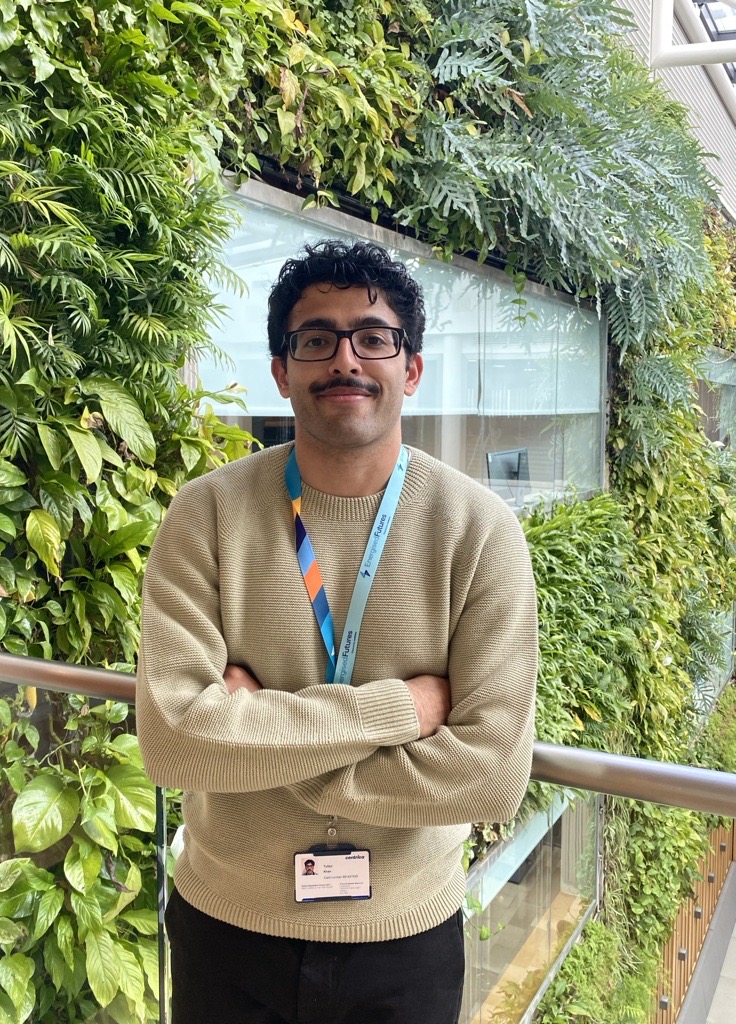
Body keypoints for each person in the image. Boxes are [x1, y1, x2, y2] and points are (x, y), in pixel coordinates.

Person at [136, 239, 538, 1024]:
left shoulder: (479, 530)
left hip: (406, 940)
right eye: (316, 339)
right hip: (226, 927)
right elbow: (174, 745)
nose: (345, 359)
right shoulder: (206, 514)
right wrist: (402, 711)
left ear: (410, 369)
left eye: (373, 337)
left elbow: (490, 776)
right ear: (282, 371)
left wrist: (255, 741)